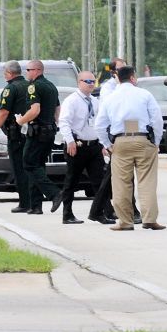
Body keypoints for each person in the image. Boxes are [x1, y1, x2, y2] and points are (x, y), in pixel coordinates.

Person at [95, 66, 165, 231]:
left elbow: (99, 125)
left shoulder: (110, 98)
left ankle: (125, 221)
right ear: (133, 78)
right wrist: (156, 142)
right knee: (147, 181)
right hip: (143, 139)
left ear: (118, 78)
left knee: (121, 183)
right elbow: (157, 119)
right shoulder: (145, 94)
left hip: (120, 141)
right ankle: (149, 219)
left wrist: (107, 144)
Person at [52, 71, 104, 225]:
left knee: (99, 181)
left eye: (93, 81)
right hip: (77, 145)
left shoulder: (95, 101)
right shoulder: (72, 101)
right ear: (79, 82)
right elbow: (64, 122)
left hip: (93, 146)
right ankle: (67, 214)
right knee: (72, 181)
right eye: (87, 81)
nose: (91, 84)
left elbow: (99, 124)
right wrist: (70, 141)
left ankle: (100, 212)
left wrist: (103, 143)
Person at [15, 60, 62, 215]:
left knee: (29, 164)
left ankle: (54, 193)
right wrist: (54, 125)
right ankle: (36, 205)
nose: (26, 73)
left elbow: (35, 110)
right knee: (37, 167)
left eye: (28, 70)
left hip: (37, 132)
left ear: (36, 70)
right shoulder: (51, 86)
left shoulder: (33, 86)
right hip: (49, 131)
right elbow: (57, 109)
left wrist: (20, 121)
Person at [0, 61, 31, 214]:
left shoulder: (10, 88)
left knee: (19, 169)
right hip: (31, 133)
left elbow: (3, 112)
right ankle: (34, 201)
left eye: (4, 72)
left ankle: (25, 203)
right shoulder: (30, 86)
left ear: (9, 73)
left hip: (17, 134)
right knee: (32, 167)